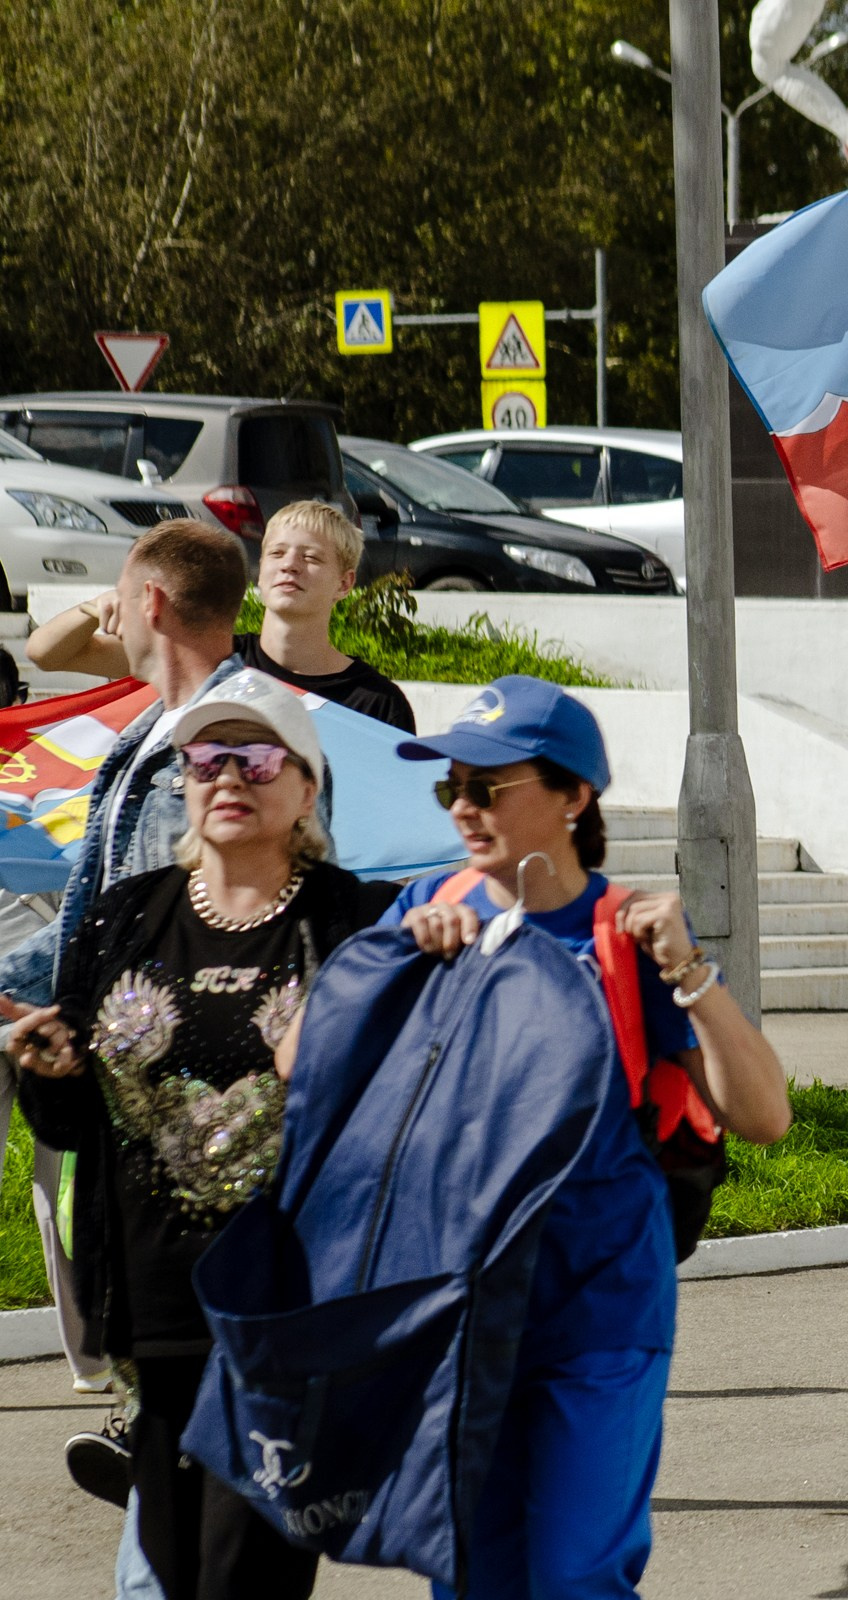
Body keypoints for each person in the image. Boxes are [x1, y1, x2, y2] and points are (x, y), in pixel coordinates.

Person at [379, 676, 790, 1599]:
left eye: (490, 787)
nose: (465, 808)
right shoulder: (418, 912)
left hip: (598, 1308)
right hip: (459, 1309)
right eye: (453, 787)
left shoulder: (626, 934)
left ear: (573, 797)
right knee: (472, 1576)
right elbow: (312, 1077)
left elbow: (764, 1115)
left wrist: (687, 968)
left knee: (574, 1578)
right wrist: (397, 972)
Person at [8, 669, 394, 1600]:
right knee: (175, 1572)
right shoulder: (124, 917)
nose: (229, 776)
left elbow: (387, 1107)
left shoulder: (352, 924)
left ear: (306, 787)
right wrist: (45, 1070)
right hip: (153, 1308)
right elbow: (77, 1116)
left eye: (256, 757)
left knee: (242, 1578)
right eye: (206, 758)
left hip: (285, 1308)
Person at [0, 519, 251, 1519]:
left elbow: (145, 933)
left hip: (168, 1113)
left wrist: (63, 1015)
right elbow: (96, 914)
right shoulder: (166, 728)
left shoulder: (203, 743)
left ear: (148, 602)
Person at [31, 500, 416, 732]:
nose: (291, 566)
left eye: (311, 557)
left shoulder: (378, 703)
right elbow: (47, 655)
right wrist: (95, 607)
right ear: (260, 570)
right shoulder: (207, 658)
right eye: (277, 554)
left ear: (345, 584)